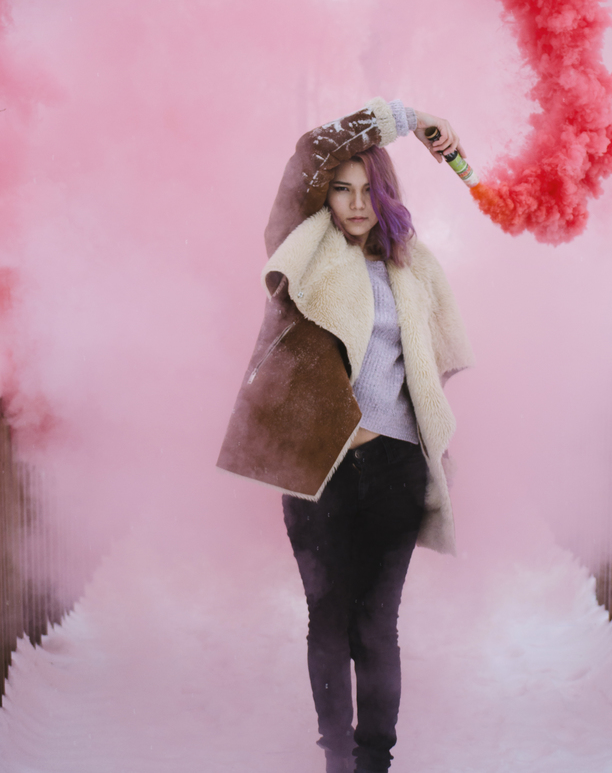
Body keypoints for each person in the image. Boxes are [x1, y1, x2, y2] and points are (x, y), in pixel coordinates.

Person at [217, 97, 473, 773]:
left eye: (369, 189)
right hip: (317, 467)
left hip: (395, 470)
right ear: (324, 195)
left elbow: (428, 376)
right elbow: (310, 148)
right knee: (326, 618)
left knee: (376, 623)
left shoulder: (414, 270)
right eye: (342, 188)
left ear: (385, 194)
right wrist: (411, 118)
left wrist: (433, 450)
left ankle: (373, 761)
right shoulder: (303, 250)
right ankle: (335, 756)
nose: (356, 203)